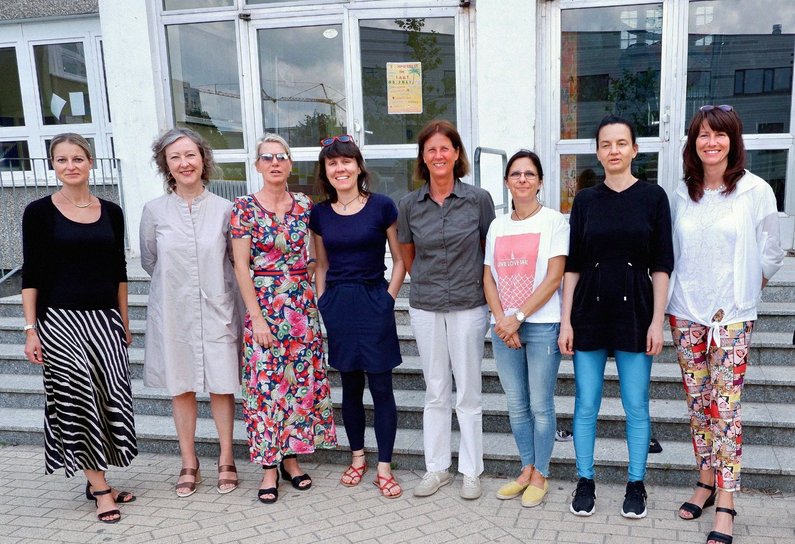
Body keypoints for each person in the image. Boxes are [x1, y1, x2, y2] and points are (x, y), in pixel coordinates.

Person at [667, 105, 784, 544]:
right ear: (692, 143)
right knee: (698, 405)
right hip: (686, 312)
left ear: (733, 141)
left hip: (730, 318)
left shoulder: (755, 191)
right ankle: (704, 478)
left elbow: (773, 249)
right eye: (702, 135)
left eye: (719, 135)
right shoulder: (682, 192)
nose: (710, 142)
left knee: (726, 410)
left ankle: (727, 501)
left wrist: (746, 290)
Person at [558, 115, 673, 519]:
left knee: (635, 405)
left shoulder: (653, 197)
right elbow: (573, 265)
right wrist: (566, 320)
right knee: (585, 404)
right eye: (606, 144)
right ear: (598, 152)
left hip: (636, 312)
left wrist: (657, 320)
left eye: (621, 143)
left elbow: (661, 264)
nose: (614, 151)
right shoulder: (586, 200)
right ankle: (585, 479)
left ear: (634, 150)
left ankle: (636, 483)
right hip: (590, 310)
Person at [21, 133, 137, 523]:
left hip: (104, 320)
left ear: (91, 162)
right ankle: (101, 489)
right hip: (59, 321)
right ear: (53, 165)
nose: (70, 166)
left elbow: (119, 271)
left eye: (77, 158)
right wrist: (30, 329)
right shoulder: (38, 212)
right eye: (61, 160)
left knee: (108, 400)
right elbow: (31, 275)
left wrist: (123, 319)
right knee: (77, 400)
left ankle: (96, 478)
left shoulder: (112, 211)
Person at [230, 133, 336, 504]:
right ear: (257, 165)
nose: (275, 163)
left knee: (297, 387)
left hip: (301, 310)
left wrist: (307, 278)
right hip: (264, 310)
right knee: (265, 390)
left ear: (290, 163)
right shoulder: (243, 207)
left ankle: (291, 460)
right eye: (267, 157)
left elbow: (314, 255)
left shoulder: (305, 204)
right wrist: (256, 318)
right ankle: (268, 468)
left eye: (281, 156)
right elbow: (241, 267)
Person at [140, 128, 242, 498]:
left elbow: (235, 260)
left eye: (190, 155)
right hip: (175, 310)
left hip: (218, 306)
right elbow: (151, 260)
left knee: (221, 384)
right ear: (166, 165)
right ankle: (189, 461)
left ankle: (226, 457)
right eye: (175, 157)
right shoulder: (154, 211)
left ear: (203, 159)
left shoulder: (225, 210)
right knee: (180, 384)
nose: (184, 163)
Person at [397, 120, 495, 500]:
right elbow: (408, 255)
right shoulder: (409, 205)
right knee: (436, 390)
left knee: (468, 391)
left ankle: (472, 470)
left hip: (469, 304)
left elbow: (490, 251)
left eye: (445, 148)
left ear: (456, 154)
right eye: (431, 150)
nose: (438, 155)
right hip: (426, 304)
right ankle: (437, 468)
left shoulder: (478, 199)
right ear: (423, 158)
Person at [309, 134, 406, 498]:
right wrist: (323, 301)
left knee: (381, 387)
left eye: (346, 161)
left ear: (358, 166)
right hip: (339, 305)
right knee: (350, 387)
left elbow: (399, 261)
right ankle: (357, 458)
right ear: (326, 171)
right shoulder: (319, 213)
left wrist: (388, 299)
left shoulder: (382, 206)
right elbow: (321, 263)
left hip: (373, 300)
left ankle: (384, 465)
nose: (340, 168)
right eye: (332, 163)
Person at [483, 150, 569, 507]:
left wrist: (517, 316)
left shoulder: (554, 222)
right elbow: (488, 277)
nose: (522, 179)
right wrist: (503, 320)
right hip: (504, 328)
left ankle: (542, 473)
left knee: (540, 405)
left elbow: (554, 277)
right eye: (515, 174)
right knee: (516, 405)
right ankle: (526, 467)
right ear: (506, 182)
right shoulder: (497, 225)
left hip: (542, 325)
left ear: (540, 181)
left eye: (529, 174)